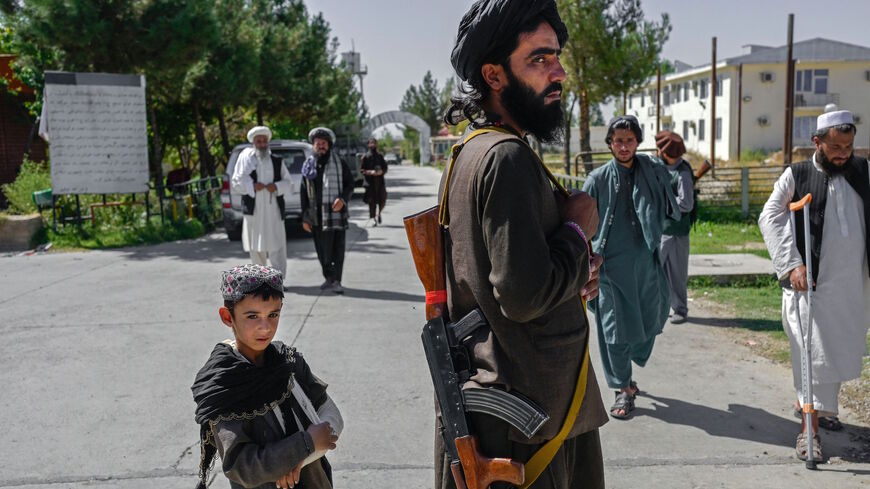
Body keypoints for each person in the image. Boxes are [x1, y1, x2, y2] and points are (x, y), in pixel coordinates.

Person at [437, 1, 608, 488]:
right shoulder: (505, 156)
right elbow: (522, 293)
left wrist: (574, 272)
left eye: (556, 57)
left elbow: (502, 277)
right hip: (528, 420)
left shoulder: (469, 150)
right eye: (538, 59)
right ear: (493, 75)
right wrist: (578, 228)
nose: (558, 73)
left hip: (513, 406)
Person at [758, 109, 870, 462]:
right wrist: (792, 263)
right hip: (810, 286)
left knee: (832, 353)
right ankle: (810, 431)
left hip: (851, 287)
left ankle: (820, 408)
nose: (843, 153)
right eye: (835, 146)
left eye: (849, 146)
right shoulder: (798, 173)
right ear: (817, 142)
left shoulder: (864, 171)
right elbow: (770, 215)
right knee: (810, 354)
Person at [191, 264, 342, 489]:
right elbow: (242, 466)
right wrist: (307, 443)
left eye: (273, 314)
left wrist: (298, 461)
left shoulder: (288, 361)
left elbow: (330, 413)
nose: (265, 327)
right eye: (252, 316)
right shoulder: (224, 384)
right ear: (227, 317)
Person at [582, 115, 680, 420]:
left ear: (638, 142)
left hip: (645, 263)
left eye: (629, 140)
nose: (623, 146)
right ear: (610, 143)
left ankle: (629, 374)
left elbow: (674, 186)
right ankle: (622, 389)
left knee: (650, 319)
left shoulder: (652, 170)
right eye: (618, 140)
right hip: (609, 268)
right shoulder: (597, 179)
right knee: (615, 331)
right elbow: (581, 224)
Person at [231, 126, 291, 282]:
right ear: (254, 142)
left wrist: (276, 186)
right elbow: (236, 183)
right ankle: (261, 281)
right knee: (256, 247)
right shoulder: (246, 161)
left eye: (265, 141)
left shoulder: (277, 161)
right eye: (259, 141)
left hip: (273, 210)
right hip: (254, 211)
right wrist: (252, 186)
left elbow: (288, 182)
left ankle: (278, 281)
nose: (262, 144)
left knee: (277, 245)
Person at [300, 127, 354, 294]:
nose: (321, 146)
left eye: (323, 143)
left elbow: (350, 184)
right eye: (318, 143)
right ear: (313, 146)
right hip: (316, 216)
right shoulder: (308, 165)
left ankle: (337, 280)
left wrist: (343, 199)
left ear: (329, 145)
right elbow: (303, 191)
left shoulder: (340, 162)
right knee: (322, 251)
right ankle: (328, 277)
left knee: (337, 249)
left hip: (335, 214)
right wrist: (304, 217)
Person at [655, 130, 695, 324]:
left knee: (677, 273)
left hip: (677, 232)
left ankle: (680, 309)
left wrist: (664, 203)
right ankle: (658, 308)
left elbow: (687, 204)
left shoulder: (683, 173)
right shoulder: (659, 167)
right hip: (660, 230)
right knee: (655, 271)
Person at [361, 137, 388, 225]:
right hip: (370, 183)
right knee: (371, 203)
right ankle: (373, 218)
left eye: (374, 143)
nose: (372, 144)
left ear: (376, 144)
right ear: (368, 145)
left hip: (380, 183)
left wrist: (381, 172)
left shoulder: (380, 156)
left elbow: (385, 168)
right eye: (371, 143)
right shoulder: (365, 157)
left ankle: (379, 214)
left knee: (382, 200)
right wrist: (370, 172)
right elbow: (362, 170)